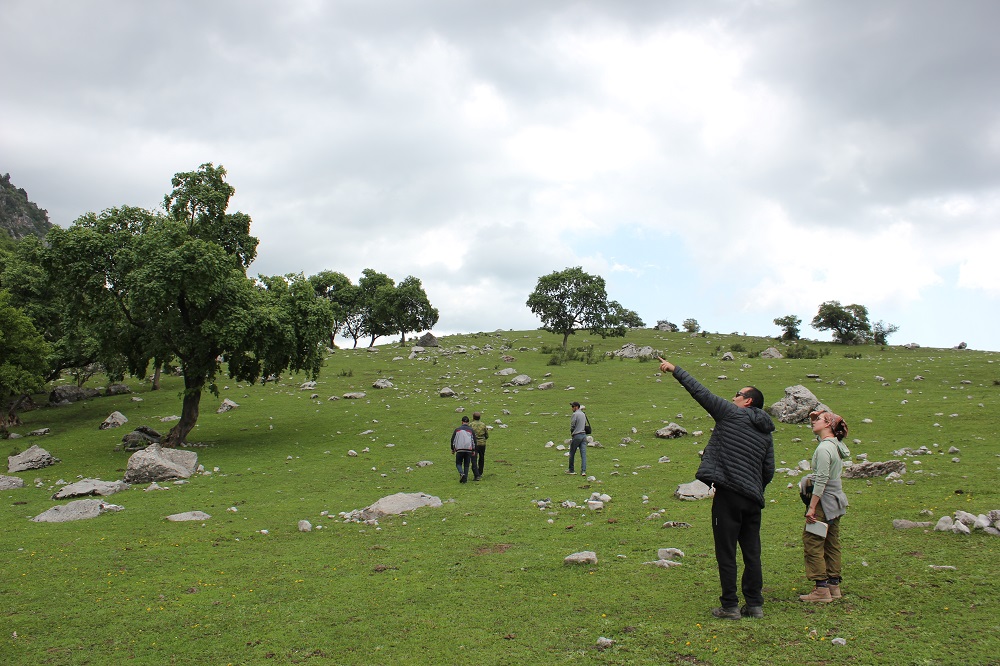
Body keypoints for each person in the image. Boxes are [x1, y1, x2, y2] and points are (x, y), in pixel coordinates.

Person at [658, 357, 775, 621]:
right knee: (752, 551)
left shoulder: (730, 413)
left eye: (739, 394)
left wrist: (676, 369)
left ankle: (730, 606)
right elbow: (769, 470)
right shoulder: (765, 432)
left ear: (749, 401)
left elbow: (701, 392)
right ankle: (755, 605)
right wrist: (755, 489)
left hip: (729, 495)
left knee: (726, 551)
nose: (734, 396)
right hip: (753, 499)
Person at [798, 409, 851, 602]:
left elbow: (821, 480)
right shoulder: (836, 445)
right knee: (831, 542)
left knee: (813, 540)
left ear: (828, 424)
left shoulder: (823, 450)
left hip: (823, 501)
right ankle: (833, 585)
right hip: (836, 500)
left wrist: (812, 507)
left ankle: (820, 589)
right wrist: (815, 415)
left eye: (818, 420)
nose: (813, 422)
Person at [450, 415, 478, 483]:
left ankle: (461, 473)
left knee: (458, 463)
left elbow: (453, 440)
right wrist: (473, 450)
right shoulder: (471, 430)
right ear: (468, 422)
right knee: (466, 464)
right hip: (468, 449)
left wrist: (453, 449)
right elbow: (474, 441)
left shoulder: (457, 430)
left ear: (462, 422)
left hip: (459, 449)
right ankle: (465, 479)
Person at [568, 401, 588, 475]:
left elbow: (573, 425)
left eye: (572, 407)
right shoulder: (583, 414)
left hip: (577, 435)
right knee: (583, 454)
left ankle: (571, 470)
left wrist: (572, 432)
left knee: (572, 453)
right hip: (583, 435)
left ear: (576, 407)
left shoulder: (575, 414)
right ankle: (583, 471)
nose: (572, 408)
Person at [469, 412, 489, 481]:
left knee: (474, 459)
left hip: (474, 444)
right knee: (481, 458)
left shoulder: (471, 425)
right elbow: (486, 435)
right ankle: (480, 472)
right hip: (482, 444)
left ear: (473, 417)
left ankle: (476, 474)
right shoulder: (483, 425)